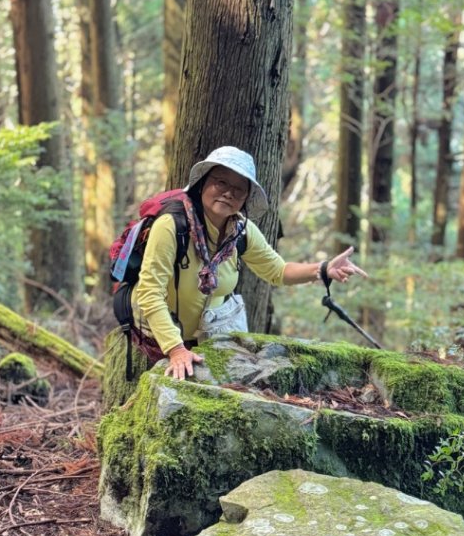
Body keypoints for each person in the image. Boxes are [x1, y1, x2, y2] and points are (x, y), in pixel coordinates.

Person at [131, 146, 367, 381]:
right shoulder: (172, 226)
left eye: (238, 189)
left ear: (246, 198)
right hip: (160, 335)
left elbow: (278, 271)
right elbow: (150, 292)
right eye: (221, 182)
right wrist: (176, 349)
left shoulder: (241, 231)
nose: (228, 193)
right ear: (203, 183)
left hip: (205, 337)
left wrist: (323, 269)